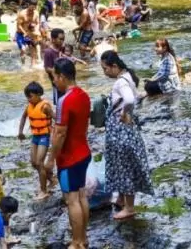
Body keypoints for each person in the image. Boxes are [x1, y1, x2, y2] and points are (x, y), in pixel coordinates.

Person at [100, 50, 153, 220]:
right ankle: (122, 199)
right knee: (122, 163)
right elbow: (135, 97)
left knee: (124, 166)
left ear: (114, 66)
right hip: (125, 131)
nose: (104, 73)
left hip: (121, 131)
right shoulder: (128, 77)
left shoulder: (120, 83)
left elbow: (129, 100)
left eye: (105, 69)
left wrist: (124, 113)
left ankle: (129, 208)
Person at [45, 59, 91, 249]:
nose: (54, 81)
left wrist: (50, 160)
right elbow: (75, 121)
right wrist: (53, 115)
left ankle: (76, 242)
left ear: (62, 77)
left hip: (69, 158)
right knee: (81, 196)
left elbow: (60, 133)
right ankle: (84, 239)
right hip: (83, 152)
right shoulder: (83, 95)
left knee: (71, 201)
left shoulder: (64, 100)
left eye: (55, 77)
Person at [17, 81, 55, 200]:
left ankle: (43, 191)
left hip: (44, 136)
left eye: (31, 96)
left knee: (39, 162)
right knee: (34, 163)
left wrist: (58, 133)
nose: (28, 99)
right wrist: (20, 132)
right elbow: (24, 117)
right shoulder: (29, 106)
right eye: (27, 96)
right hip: (35, 136)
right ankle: (52, 179)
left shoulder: (45, 106)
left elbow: (56, 118)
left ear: (39, 94)